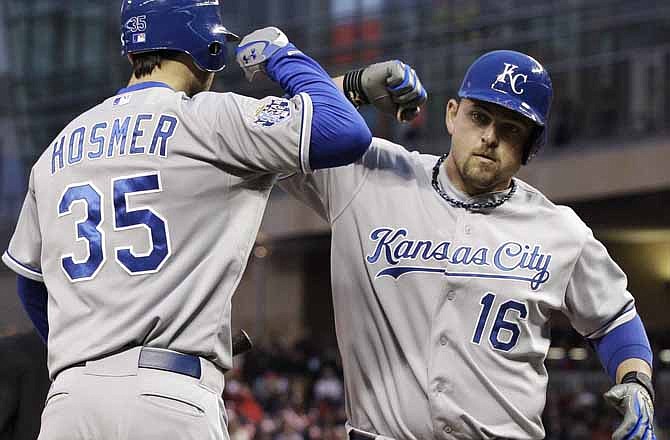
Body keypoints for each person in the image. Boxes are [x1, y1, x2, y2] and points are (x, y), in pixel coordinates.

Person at [0, 0, 383, 438]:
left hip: (71, 403)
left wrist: (91, 346)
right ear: (211, 49)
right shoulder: (210, 117)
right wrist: (281, 53)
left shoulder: (56, 151)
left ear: (131, 52)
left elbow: (31, 283)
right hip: (167, 397)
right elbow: (344, 132)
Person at [281, 50, 656, 439]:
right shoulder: (369, 175)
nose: (490, 137)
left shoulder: (560, 231)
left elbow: (615, 321)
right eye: (479, 117)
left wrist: (638, 384)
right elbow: (264, 129)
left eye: (511, 129)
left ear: (531, 146)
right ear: (451, 114)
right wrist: (352, 86)